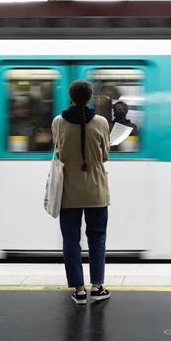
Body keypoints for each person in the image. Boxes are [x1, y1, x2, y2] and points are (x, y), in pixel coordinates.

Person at [52, 80, 111, 305]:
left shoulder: (58, 122)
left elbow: (58, 152)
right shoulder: (101, 122)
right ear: (90, 97)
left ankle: (79, 290)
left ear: (70, 97)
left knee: (71, 240)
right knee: (97, 238)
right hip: (96, 190)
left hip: (68, 190)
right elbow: (105, 155)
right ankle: (97, 287)